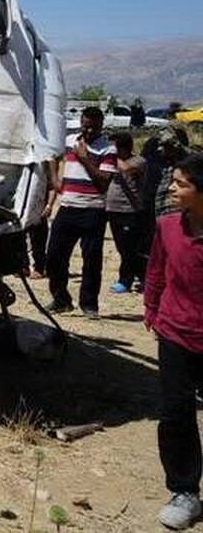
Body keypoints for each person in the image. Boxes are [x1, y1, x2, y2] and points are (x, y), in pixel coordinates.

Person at [144, 153, 203, 530]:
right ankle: (184, 491)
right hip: (175, 332)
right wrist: (151, 308)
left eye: (181, 184)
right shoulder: (166, 226)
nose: (171, 189)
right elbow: (156, 270)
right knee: (176, 414)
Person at [45, 106, 116, 318]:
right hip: (68, 206)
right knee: (54, 256)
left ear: (101, 125)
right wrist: (54, 180)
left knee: (91, 260)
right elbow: (52, 155)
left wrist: (84, 158)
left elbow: (103, 182)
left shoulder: (108, 149)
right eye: (85, 126)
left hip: (93, 210)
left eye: (93, 127)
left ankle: (89, 304)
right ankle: (61, 299)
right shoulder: (70, 141)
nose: (88, 131)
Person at [106, 131, 147, 293]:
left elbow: (127, 169)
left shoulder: (139, 161)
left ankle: (127, 280)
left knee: (130, 248)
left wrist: (111, 155)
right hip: (113, 210)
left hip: (130, 211)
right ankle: (140, 276)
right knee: (122, 247)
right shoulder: (113, 162)